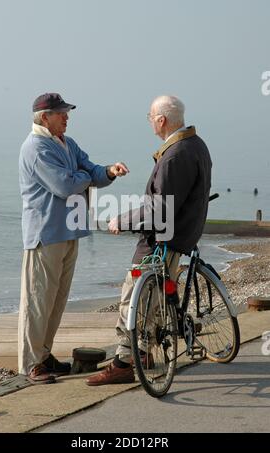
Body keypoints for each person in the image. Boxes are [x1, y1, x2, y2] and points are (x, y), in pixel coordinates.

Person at [86, 95, 212, 386]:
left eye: (150, 117)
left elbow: (159, 209)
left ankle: (123, 363)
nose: (149, 122)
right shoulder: (196, 144)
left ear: (161, 120)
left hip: (161, 241)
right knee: (153, 302)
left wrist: (121, 220)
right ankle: (140, 353)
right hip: (181, 234)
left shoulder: (176, 154)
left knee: (133, 300)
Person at [18, 92, 129, 384]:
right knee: (38, 300)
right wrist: (89, 177)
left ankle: (44, 355)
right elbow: (63, 185)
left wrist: (107, 171)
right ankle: (32, 363)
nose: (67, 117)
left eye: (67, 112)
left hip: (69, 230)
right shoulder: (35, 148)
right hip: (45, 234)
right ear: (45, 117)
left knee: (56, 299)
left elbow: (89, 168)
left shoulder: (68, 143)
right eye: (61, 113)